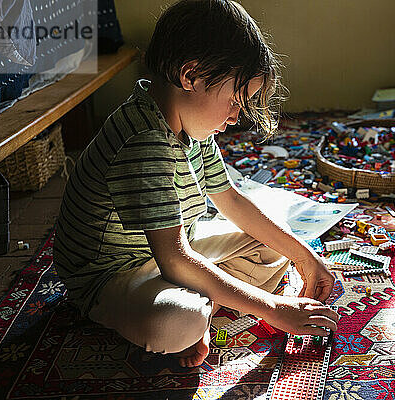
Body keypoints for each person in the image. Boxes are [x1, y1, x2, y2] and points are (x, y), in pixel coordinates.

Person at [54, 0, 339, 368]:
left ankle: (208, 293)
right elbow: (173, 259)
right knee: (177, 323)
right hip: (111, 274)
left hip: (170, 252)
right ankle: (200, 301)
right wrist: (272, 309)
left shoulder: (187, 122)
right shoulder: (144, 142)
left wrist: (306, 257)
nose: (237, 115)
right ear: (191, 76)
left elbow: (230, 201)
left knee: (276, 243)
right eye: (236, 100)